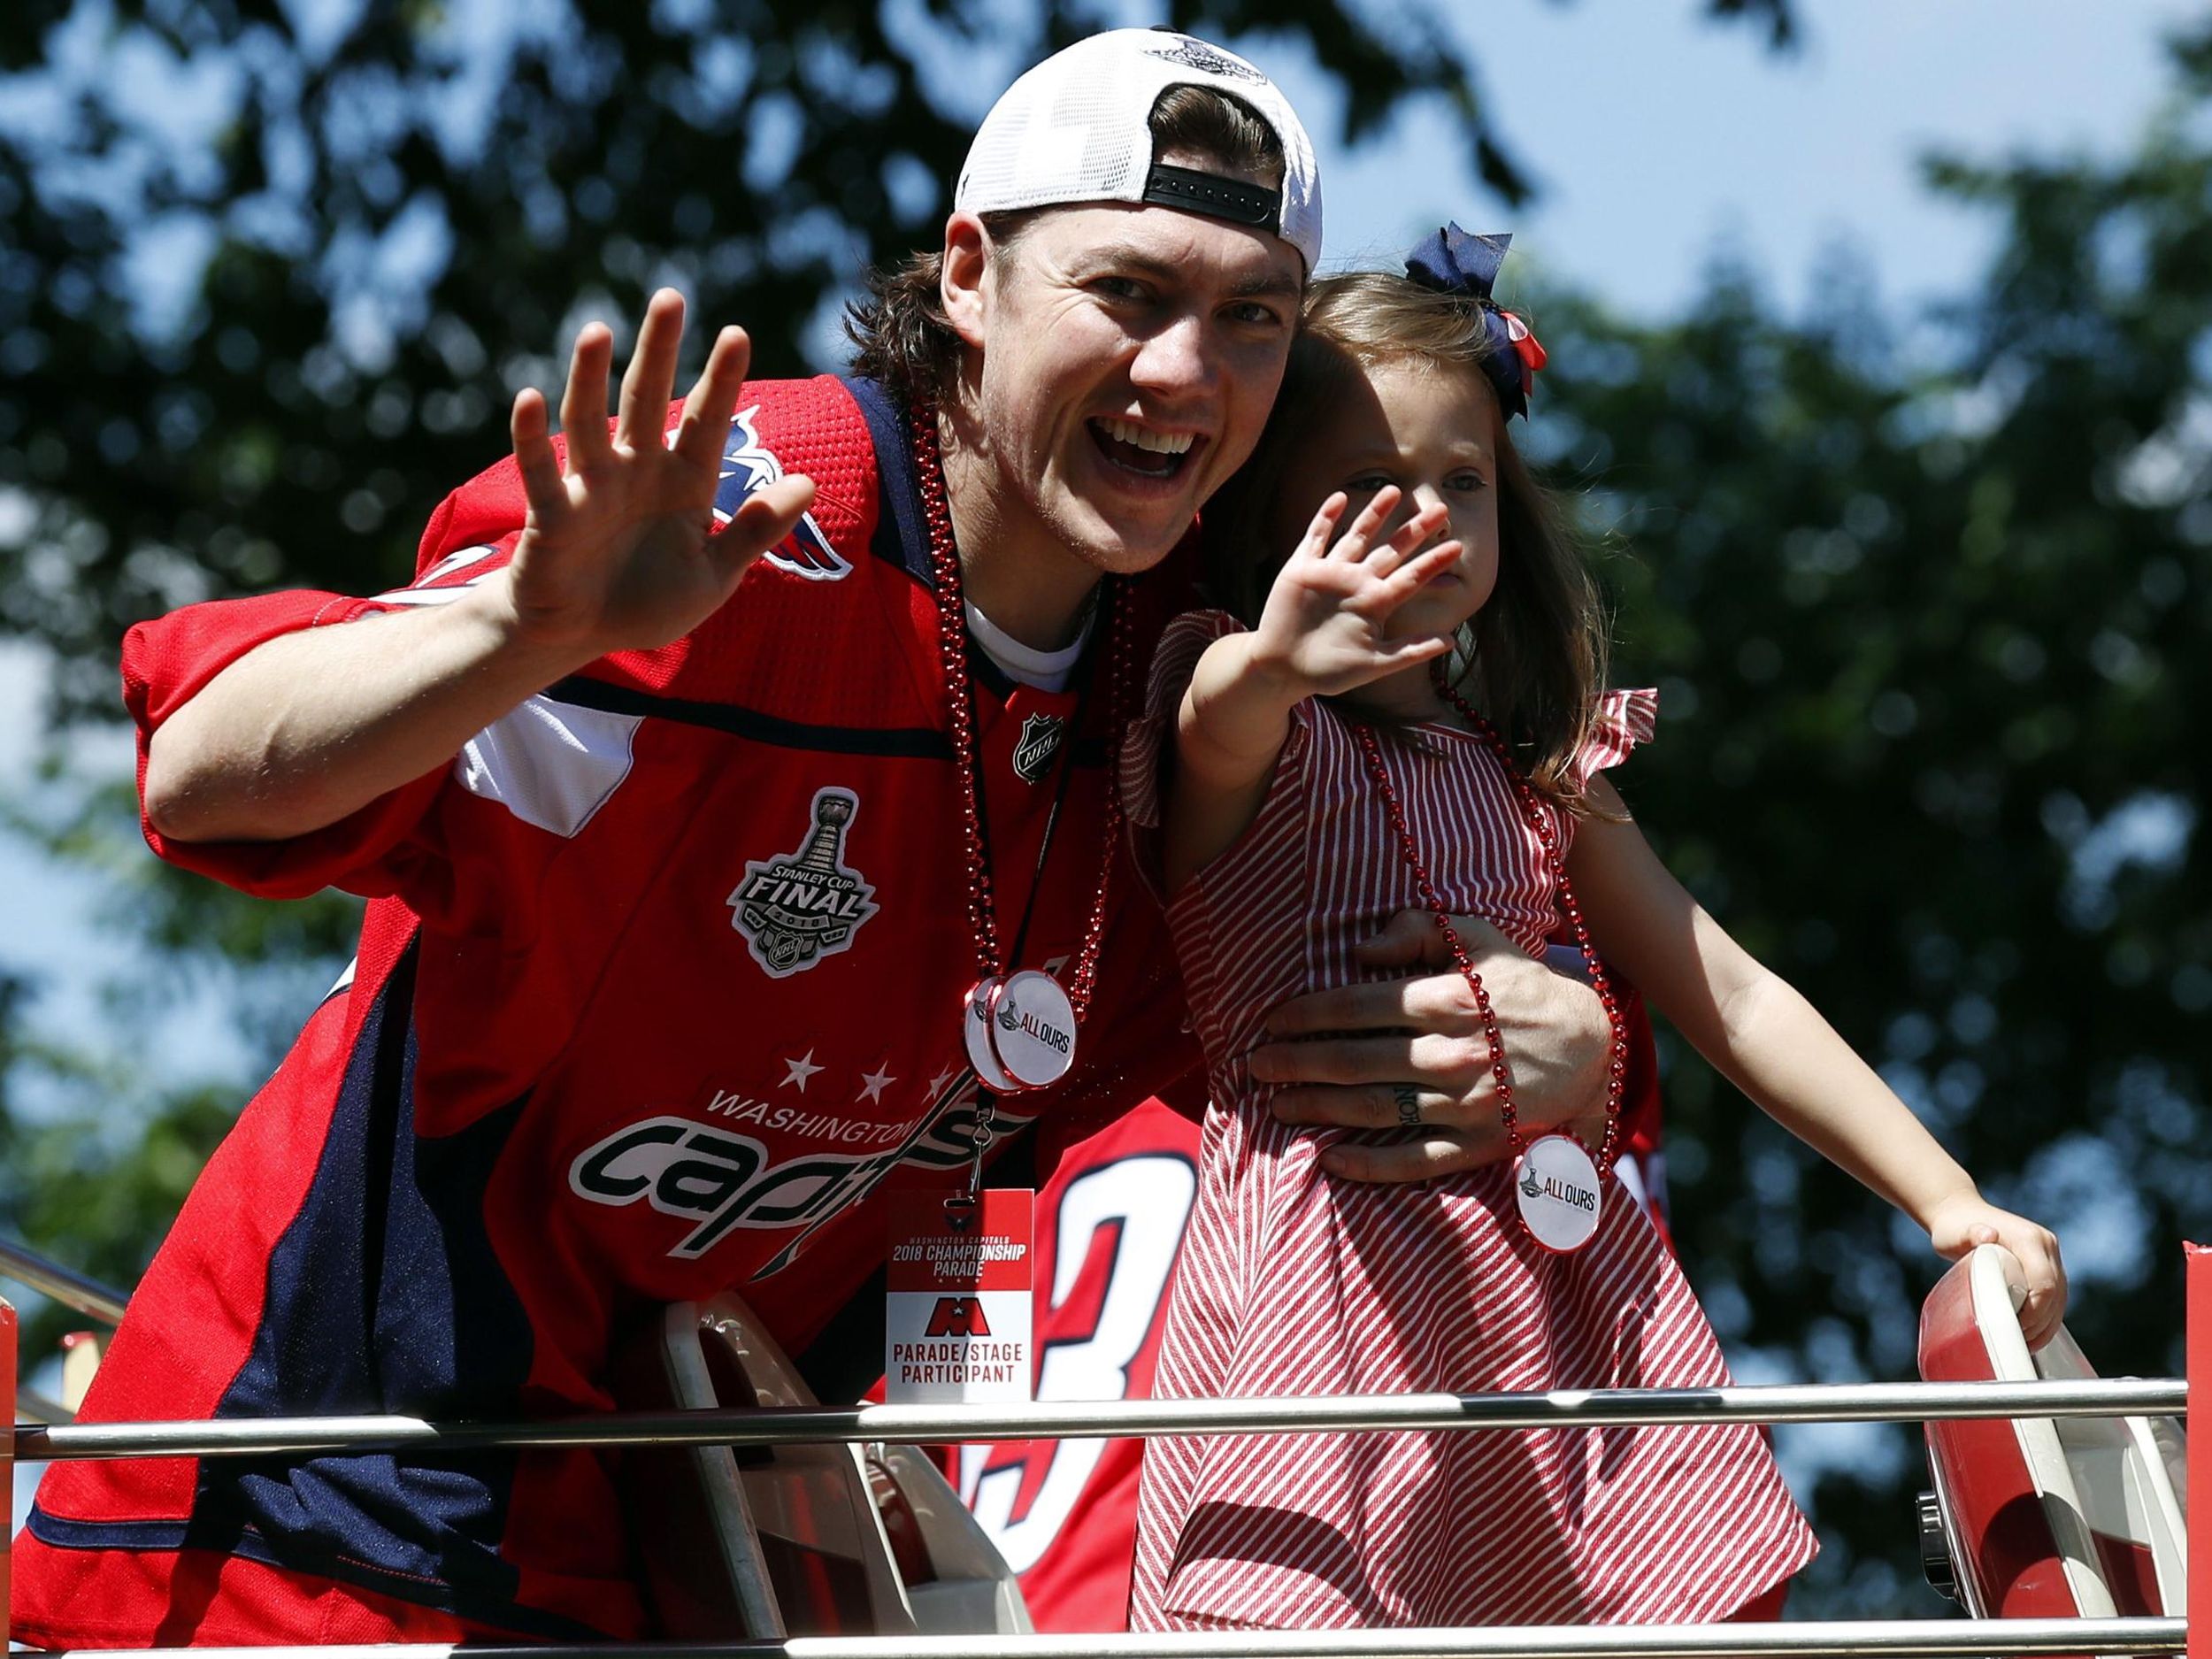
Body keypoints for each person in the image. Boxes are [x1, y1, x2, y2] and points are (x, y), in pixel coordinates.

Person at [12, 38, 1618, 1644]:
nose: (1189, 372)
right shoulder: (757, 519)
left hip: (704, 1558)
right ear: (974, 276)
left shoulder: (1211, 677)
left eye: (1252, 314)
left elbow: (1341, 1020)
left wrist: (1566, 1051)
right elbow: (205, 775)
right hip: (329, 1519)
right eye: (1128, 291)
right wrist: (519, 626)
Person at [1122, 232, 2070, 1632]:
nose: (1426, 519)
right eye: (1367, 493)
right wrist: (1275, 655)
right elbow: (1213, 732)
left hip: (1557, 1293)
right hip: (1325, 1290)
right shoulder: (1246, 707)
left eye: (1462, 482)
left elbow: (1730, 995)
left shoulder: (1540, 772)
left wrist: (1946, 1199)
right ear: (1263, 520)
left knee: (1623, 1615)